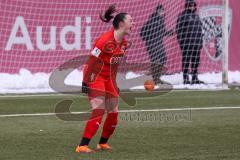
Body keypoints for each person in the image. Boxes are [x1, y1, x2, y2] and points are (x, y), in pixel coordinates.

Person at [75, 4, 134, 153]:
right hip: (95, 77)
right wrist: (85, 82)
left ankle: (102, 143)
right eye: (130, 21)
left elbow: (113, 66)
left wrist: (114, 83)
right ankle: (82, 145)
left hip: (109, 79)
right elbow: (91, 61)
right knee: (99, 110)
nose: (133, 23)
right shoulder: (103, 41)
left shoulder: (124, 44)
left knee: (114, 113)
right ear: (121, 24)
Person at [140, 4, 173, 84]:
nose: (162, 12)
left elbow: (161, 32)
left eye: (163, 10)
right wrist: (150, 40)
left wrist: (168, 33)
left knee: (163, 59)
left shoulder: (160, 20)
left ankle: (156, 77)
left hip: (158, 43)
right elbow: (147, 32)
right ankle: (155, 78)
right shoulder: (153, 20)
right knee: (155, 61)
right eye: (161, 10)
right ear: (158, 11)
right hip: (152, 44)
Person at [176, 0, 204, 84]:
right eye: (190, 6)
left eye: (193, 6)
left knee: (196, 61)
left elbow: (200, 30)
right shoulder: (182, 16)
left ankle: (195, 78)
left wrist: (200, 42)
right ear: (186, 6)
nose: (192, 7)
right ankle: (186, 78)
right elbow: (179, 30)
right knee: (186, 61)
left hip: (196, 43)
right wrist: (181, 42)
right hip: (187, 44)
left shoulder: (196, 16)